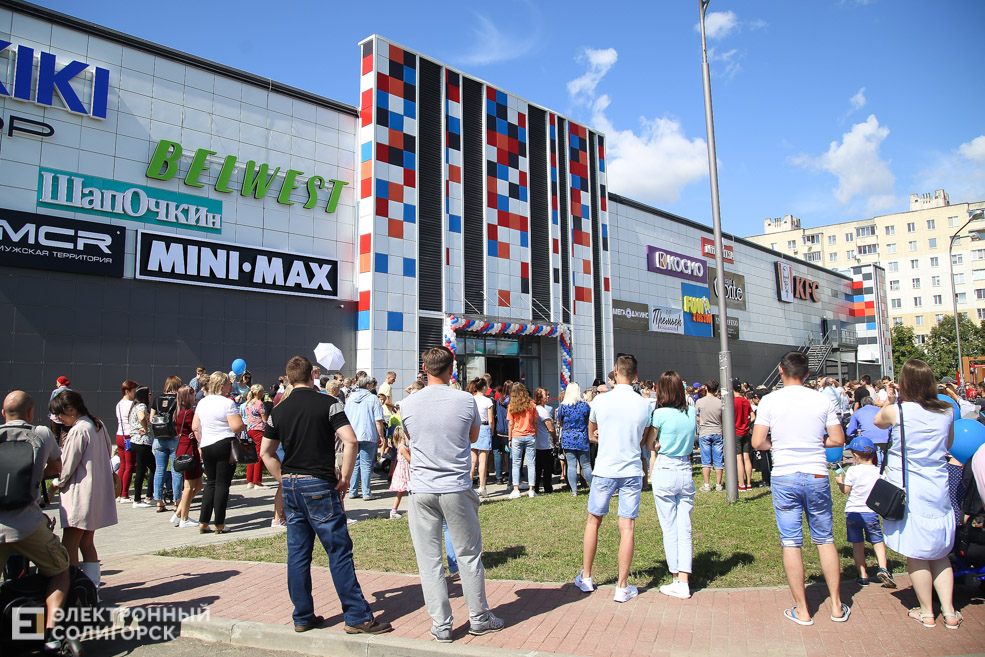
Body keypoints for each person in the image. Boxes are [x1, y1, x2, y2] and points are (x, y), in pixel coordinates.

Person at [260, 356, 392, 635]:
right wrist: (344, 477)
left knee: (297, 554)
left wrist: (283, 478)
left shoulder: (278, 411)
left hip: (293, 485)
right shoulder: (328, 403)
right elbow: (351, 440)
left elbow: (266, 453)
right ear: (312, 376)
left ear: (289, 378)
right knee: (338, 551)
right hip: (319, 483)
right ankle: (356, 615)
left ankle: (302, 615)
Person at [399, 346, 504, 642]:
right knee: (468, 555)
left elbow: (410, 438)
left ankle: (442, 624)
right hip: (456, 486)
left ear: (424, 367)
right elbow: (473, 436)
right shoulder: (466, 400)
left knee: (429, 559)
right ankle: (479, 618)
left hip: (422, 488)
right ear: (451, 367)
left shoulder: (407, 403)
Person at [752, 351, 848, 626]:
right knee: (825, 539)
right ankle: (837, 606)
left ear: (781, 371)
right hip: (816, 472)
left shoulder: (770, 400)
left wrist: (779, 446)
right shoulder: (821, 399)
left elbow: (758, 442)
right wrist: (816, 443)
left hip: (785, 474)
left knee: (791, 542)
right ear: (807, 374)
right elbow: (837, 439)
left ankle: (802, 610)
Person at [873, 359, 961, 629]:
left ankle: (926, 611)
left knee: (917, 552)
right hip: (937, 486)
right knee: (940, 552)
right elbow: (949, 444)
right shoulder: (946, 410)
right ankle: (949, 611)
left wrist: (890, 398)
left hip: (908, 490)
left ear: (905, 383)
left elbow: (878, 422)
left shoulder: (897, 411)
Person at [576, 354, 651, 603]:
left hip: (605, 468)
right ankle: (622, 585)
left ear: (616, 373)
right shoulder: (643, 404)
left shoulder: (600, 400)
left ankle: (586, 576)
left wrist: (603, 435)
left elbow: (592, 434)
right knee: (627, 527)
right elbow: (642, 439)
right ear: (636, 376)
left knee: (593, 521)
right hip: (631, 469)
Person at [0, 391, 71, 651]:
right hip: (28, 524)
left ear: (3, 414)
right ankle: (51, 632)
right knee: (60, 569)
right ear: (30, 413)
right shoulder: (40, 434)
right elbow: (56, 468)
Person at [49, 389, 118, 590]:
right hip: (95, 491)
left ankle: (71, 587)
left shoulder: (79, 430)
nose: (59, 420)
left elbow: (67, 465)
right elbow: (107, 452)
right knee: (87, 543)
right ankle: (92, 587)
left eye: (60, 415)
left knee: (69, 543)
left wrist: (54, 485)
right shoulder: (98, 424)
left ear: (70, 410)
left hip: (79, 493)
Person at [648, 371, 697, 599]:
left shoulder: (659, 414)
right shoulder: (691, 412)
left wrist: (657, 444)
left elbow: (650, 444)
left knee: (669, 526)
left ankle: (676, 576)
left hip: (666, 467)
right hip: (685, 468)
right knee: (684, 526)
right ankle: (684, 577)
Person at [834, 437, 895, 588]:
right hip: (871, 512)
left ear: (855, 455)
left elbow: (846, 490)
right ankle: (884, 568)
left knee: (857, 544)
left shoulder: (853, 471)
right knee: (877, 541)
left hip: (853, 512)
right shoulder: (878, 472)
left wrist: (839, 483)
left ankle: (863, 575)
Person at [193, 371, 246, 534]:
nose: (231, 386)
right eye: (229, 384)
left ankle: (203, 521)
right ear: (223, 386)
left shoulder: (202, 402)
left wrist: (200, 443)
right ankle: (220, 523)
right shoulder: (227, 403)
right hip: (224, 443)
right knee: (223, 484)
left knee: (211, 483)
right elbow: (236, 426)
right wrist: (242, 424)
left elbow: (195, 426)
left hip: (207, 444)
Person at [344, 374, 386, 501]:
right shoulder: (373, 398)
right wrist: (381, 436)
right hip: (368, 434)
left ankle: (353, 490)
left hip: (353, 434)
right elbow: (378, 420)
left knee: (355, 464)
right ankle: (367, 492)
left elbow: (345, 416)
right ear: (368, 385)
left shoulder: (351, 398)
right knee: (366, 464)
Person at [151, 376, 182, 514]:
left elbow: (152, 419)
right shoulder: (178, 400)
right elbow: (180, 417)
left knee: (159, 470)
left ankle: (159, 501)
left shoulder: (157, 399)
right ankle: (177, 502)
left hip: (159, 437)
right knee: (176, 470)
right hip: (174, 437)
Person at [556, 382, 593, 496]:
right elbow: (590, 420)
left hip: (568, 438)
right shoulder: (584, 406)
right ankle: (593, 488)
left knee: (571, 465)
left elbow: (559, 422)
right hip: (581, 437)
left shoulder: (563, 406)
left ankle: (574, 491)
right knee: (586, 465)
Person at [173, 386, 202, 528]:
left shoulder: (177, 412)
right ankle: (184, 517)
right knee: (189, 486)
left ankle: (180, 511)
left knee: (198, 483)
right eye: (192, 394)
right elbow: (195, 428)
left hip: (183, 447)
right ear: (187, 396)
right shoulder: (189, 413)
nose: (194, 396)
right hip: (189, 449)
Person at [507, 384, 538, 499]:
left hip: (516, 436)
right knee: (531, 463)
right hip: (530, 435)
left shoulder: (511, 406)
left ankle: (516, 489)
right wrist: (536, 434)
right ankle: (531, 489)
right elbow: (535, 421)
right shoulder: (531, 404)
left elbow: (511, 423)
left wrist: (509, 438)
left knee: (516, 463)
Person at [128, 386, 156, 508]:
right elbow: (141, 417)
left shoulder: (133, 406)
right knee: (145, 469)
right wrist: (145, 428)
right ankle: (139, 499)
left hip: (135, 441)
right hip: (142, 442)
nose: (150, 397)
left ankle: (147, 496)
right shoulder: (141, 406)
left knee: (150, 467)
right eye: (149, 394)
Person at [695, 379, 724, 492]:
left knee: (706, 460)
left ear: (706, 388)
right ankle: (718, 484)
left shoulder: (700, 402)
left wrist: (701, 421)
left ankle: (706, 484)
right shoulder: (720, 402)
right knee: (718, 459)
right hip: (717, 431)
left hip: (705, 432)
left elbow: (697, 416)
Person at [468, 378, 495, 498]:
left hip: (473, 427)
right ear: (484, 387)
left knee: (472, 460)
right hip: (484, 427)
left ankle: (468, 486)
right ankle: (482, 486)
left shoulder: (471, 399)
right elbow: (491, 420)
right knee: (483, 460)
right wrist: (492, 431)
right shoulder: (488, 401)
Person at [846, 397, 890, 465]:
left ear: (862, 405)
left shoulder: (858, 412)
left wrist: (854, 436)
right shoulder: (880, 410)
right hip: (885, 437)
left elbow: (850, 431)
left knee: (869, 456)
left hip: (868, 439)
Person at [115, 380, 138, 502]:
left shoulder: (118, 404)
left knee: (122, 466)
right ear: (127, 391)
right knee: (129, 466)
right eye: (133, 391)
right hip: (129, 436)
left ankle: (118, 493)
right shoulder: (131, 404)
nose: (135, 393)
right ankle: (124, 494)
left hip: (119, 435)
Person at [243, 384, 268, 489]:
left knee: (251, 455)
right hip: (258, 430)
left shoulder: (247, 404)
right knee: (259, 455)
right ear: (258, 393)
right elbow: (265, 419)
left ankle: (250, 480)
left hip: (249, 429)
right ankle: (257, 481)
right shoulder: (260, 404)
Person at [732, 378, 754, 491]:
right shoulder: (745, 401)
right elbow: (753, 416)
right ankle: (749, 483)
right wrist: (747, 423)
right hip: (746, 431)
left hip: (736, 432)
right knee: (746, 457)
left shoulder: (732, 402)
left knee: (738, 458)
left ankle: (741, 484)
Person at [533, 387, 557, 494]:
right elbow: (551, 428)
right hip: (545, 444)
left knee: (537, 468)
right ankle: (547, 488)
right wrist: (555, 439)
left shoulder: (534, 409)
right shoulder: (543, 411)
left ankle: (536, 487)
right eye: (545, 395)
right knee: (546, 468)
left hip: (537, 443)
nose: (548, 397)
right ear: (539, 397)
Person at [492, 381, 512, 484]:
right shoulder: (512, 402)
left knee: (497, 453)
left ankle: (498, 477)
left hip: (499, 429)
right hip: (509, 430)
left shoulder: (499, 400)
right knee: (511, 453)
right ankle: (511, 476)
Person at [389, 427, 410, 519]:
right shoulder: (402, 448)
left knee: (403, 492)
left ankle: (394, 510)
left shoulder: (403, 447)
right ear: (403, 436)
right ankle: (393, 510)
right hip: (404, 472)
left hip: (405, 471)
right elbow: (409, 459)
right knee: (402, 491)